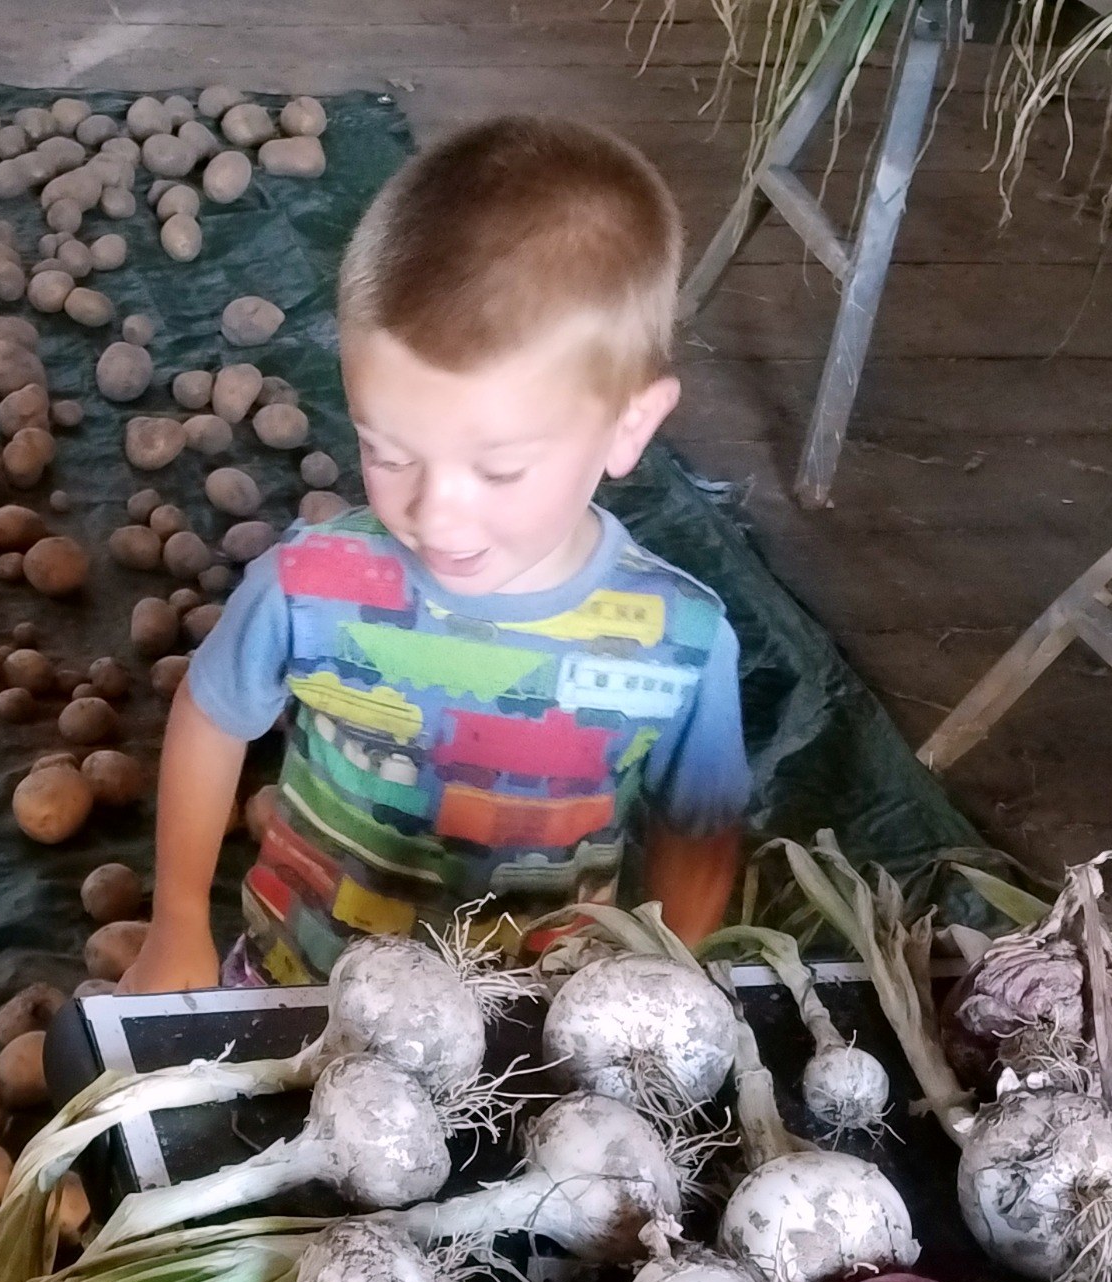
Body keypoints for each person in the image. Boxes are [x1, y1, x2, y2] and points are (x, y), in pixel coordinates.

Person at [122, 115, 751, 994]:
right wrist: (178, 919)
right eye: (388, 453)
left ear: (630, 424)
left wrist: (669, 984)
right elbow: (213, 712)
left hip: (526, 1036)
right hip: (294, 991)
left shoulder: (677, 644)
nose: (434, 512)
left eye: (499, 469)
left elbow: (702, 826)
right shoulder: (311, 587)